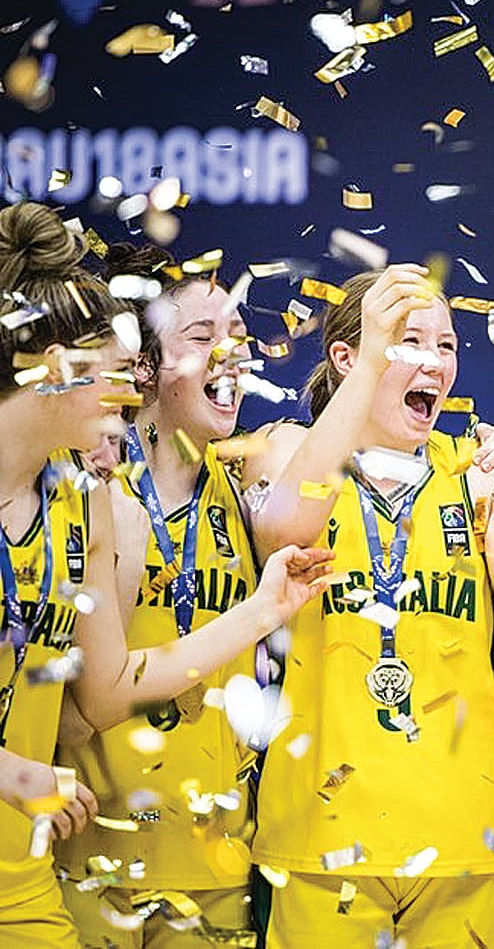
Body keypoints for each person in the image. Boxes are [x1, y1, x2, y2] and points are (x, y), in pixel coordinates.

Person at [0, 202, 329, 948]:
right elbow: (83, 719)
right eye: (117, 374)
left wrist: (261, 608)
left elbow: (109, 685)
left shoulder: (89, 505)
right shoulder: (96, 493)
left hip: (32, 881)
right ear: (55, 368)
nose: (130, 393)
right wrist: (17, 774)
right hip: (80, 860)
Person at [245, 263, 494, 948]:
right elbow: (284, 528)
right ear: (350, 356)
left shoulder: (482, 476)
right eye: (410, 340)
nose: (434, 360)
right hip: (320, 845)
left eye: (448, 345)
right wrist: (374, 358)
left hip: (464, 841)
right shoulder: (285, 451)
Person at [54, 243, 262, 947]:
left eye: (237, 337)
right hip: (88, 860)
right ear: (143, 366)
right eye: (203, 338)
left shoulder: (253, 490)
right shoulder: (87, 485)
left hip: (215, 866)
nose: (229, 354)